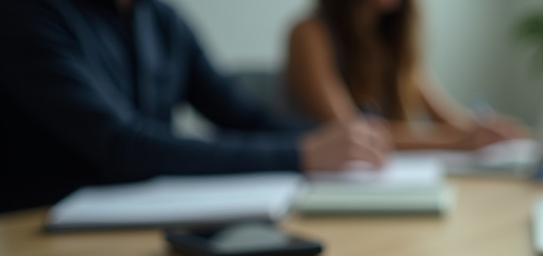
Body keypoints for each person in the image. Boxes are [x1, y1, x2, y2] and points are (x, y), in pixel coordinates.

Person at [0, 0, 390, 213]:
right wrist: (301, 153)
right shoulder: (28, 14)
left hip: (151, 222)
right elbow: (123, 145)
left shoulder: (162, 19)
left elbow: (242, 116)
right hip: (42, 229)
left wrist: (336, 138)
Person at [286, 0, 526, 151]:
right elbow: (353, 134)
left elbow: (450, 119)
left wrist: (494, 130)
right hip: (319, 186)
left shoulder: (390, 40)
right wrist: (456, 141)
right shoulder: (309, 34)